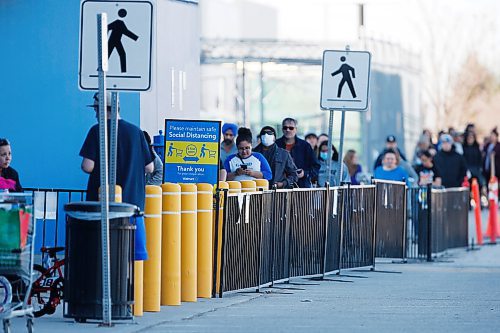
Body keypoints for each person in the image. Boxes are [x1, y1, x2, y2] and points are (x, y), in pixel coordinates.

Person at [80, 92, 154, 261]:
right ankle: (129, 287)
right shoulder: (136, 132)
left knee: (102, 257)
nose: (95, 114)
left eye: (96, 110)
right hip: (133, 206)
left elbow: (87, 166)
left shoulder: (97, 131)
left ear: (102, 109)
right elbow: (149, 167)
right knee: (131, 259)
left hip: (102, 206)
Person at [276, 118, 320, 188]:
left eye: (291, 128)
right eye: (285, 127)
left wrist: (304, 173)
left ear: (296, 129)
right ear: (282, 129)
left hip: (301, 187)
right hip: (280, 186)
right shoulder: (276, 145)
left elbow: (316, 166)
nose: (288, 130)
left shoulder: (305, 146)